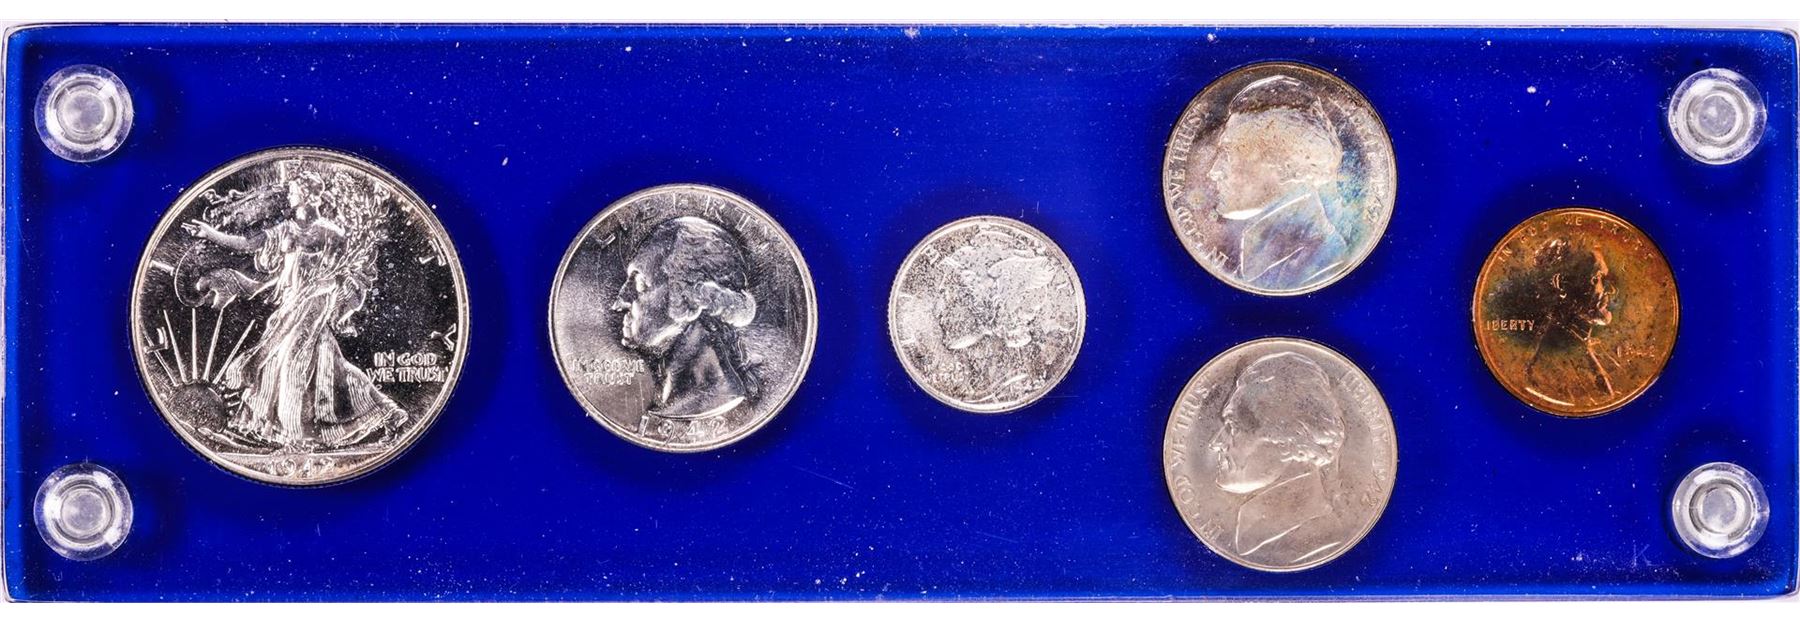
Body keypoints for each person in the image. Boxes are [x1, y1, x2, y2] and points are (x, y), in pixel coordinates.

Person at [183, 165, 402, 450]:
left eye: (295, 191)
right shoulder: (284, 229)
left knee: (292, 360)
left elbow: (342, 274)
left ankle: (296, 435)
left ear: (309, 196)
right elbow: (247, 244)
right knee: (328, 365)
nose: (290, 195)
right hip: (291, 300)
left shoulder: (332, 233)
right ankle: (388, 413)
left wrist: (330, 297)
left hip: (316, 300)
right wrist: (210, 233)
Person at [1192, 74, 1351, 291]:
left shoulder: (1324, 263)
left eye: (1228, 154)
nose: (1214, 172)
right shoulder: (1269, 249)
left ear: (1286, 164)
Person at [612, 216, 760, 420]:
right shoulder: (675, 398)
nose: (619, 302)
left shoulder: (713, 400)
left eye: (640, 284)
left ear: (691, 297)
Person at [1208, 351, 1348, 566]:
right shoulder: (1251, 528)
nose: (1216, 442)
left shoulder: (1320, 538)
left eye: (1234, 427)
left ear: (1290, 439)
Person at [1522, 238, 1619, 399]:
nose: (1611, 289)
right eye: (1597, 278)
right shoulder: (1548, 371)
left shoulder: (1580, 344)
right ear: (1562, 285)